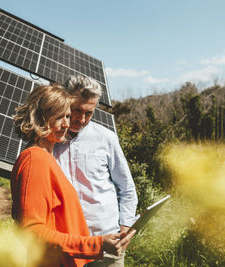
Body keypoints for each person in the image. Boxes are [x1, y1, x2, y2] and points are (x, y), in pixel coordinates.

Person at [11, 84, 135, 267]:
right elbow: (32, 231)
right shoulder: (34, 159)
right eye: (59, 116)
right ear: (41, 117)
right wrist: (96, 244)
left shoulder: (46, 157)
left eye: (67, 116)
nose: (67, 124)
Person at [53, 76, 138, 267]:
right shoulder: (49, 140)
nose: (81, 119)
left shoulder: (106, 138)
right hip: (66, 247)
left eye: (89, 113)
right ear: (65, 102)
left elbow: (127, 189)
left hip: (106, 245)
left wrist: (125, 228)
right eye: (76, 110)